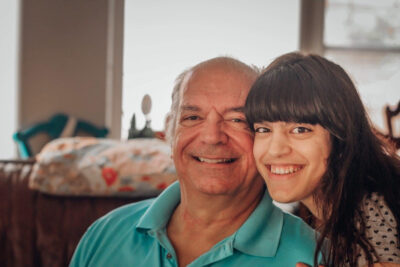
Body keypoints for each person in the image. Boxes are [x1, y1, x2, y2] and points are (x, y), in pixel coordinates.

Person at [69, 57, 319, 266]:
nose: (212, 137)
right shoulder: (104, 234)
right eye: (192, 117)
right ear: (169, 132)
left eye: (237, 120)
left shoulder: (316, 257)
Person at [244, 52, 400, 267]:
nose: (275, 150)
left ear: (342, 137)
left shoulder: (371, 211)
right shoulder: (318, 213)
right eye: (263, 129)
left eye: (300, 129)